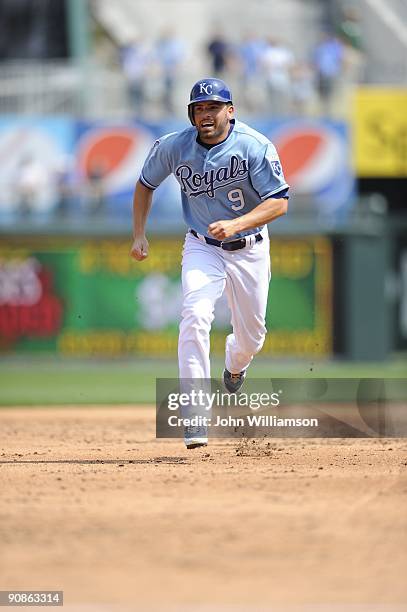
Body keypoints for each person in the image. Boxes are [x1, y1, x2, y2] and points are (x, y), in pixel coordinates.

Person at [130, 78, 289, 449]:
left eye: (214, 107)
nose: (206, 114)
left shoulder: (254, 146)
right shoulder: (174, 146)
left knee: (252, 337)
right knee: (195, 315)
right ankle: (194, 415)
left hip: (250, 247)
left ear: (230, 112)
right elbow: (144, 184)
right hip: (203, 245)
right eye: (199, 108)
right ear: (191, 114)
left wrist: (237, 223)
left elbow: (279, 202)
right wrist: (139, 233)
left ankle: (236, 364)